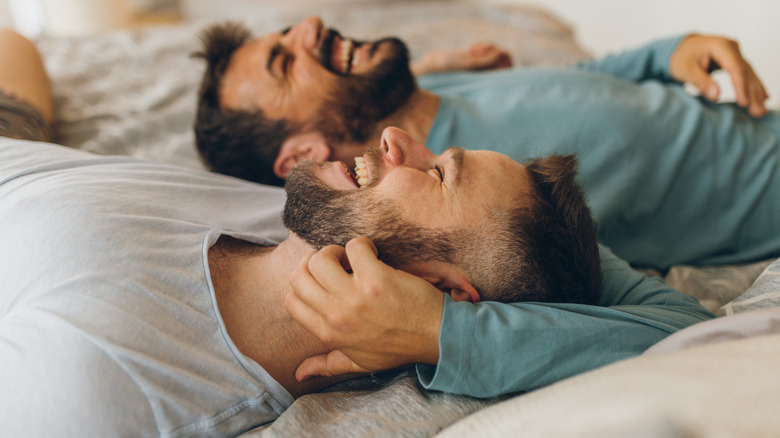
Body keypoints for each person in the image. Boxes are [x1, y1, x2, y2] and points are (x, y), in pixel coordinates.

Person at [1, 28, 714, 435]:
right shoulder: (301, 203)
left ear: (444, 289)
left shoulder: (89, 389)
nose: (399, 138)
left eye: (439, 175)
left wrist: (448, 336)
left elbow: (687, 342)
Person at [193, 17, 780, 271]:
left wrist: (667, 53)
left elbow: (577, 86)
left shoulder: (421, 91)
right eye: (284, 61)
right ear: (299, 157)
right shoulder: (476, 200)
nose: (311, 26)